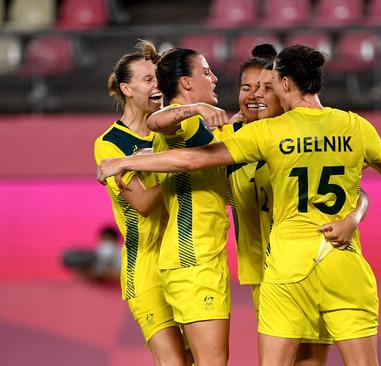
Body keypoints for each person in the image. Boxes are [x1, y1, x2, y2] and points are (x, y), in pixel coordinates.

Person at [97, 44, 381, 366]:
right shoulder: (250, 136)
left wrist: (353, 217)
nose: (255, 94)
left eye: (265, 86)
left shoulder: (262, 136)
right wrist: (143, 158)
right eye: (246, 87)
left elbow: (354, 185)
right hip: (263, 271)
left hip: (285, 267)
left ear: (283, 87)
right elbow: (173, 140)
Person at [139, 40, 231, 366]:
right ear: (187, 83)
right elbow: (156, 121)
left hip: (202, 258)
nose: (215, 78)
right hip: (193, 260)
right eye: (207, 72)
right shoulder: (185, 121)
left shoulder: (206, 129)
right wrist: (197, 108)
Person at [93, 49, 188, 365]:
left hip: (184, 260)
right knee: (173, 362)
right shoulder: (111, 144)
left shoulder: (173, 130)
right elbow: (144, 203)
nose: (156, 85)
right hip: (145, 268)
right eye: (148, 79)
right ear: (126, 88)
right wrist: (185, 166)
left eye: (158, 78)